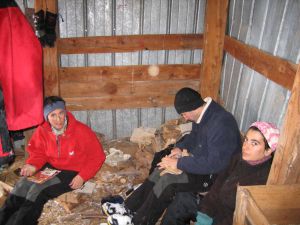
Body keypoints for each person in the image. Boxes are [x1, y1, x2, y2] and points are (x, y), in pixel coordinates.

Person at [103, 87, 242, 225]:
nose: (184, 117)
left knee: (168, 180)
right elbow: (194, 137)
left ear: (192, 107)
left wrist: (178, 163)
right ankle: (128, 208)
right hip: (201, 163)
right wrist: (180, 149)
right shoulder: (203, 116)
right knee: (160, 170)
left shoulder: (221, 124)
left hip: (213, 176)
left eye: (183, 114)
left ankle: (138, 222)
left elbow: (215, 164)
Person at [0, 96, 106, 225]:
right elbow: (38, 153)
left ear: (65, 112)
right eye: (53, 115)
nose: (58, 119)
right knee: (22, 186)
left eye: (61, 113)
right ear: (47, 117)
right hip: (51, 167)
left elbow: (98, 156)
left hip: (71, 171)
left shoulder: (81, 130)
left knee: (38, 190)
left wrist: (83, 176)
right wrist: (32, 165)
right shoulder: (43, 130)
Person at [162, 121, 280, 225]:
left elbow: (242, 218)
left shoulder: (264, 180)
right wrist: (205, 213)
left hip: (227, 220)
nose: (246, 147)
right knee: (182, 198)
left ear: (268, 150)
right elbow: (217, 186)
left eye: (254, 143)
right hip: (215, 209)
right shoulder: (238, 158)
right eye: (246, 140)